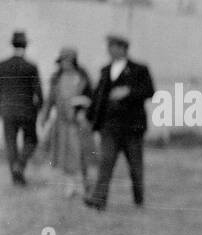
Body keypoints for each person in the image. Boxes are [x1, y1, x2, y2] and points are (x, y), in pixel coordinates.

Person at [84, 35, 155, 210]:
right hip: (110, 127)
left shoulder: (140, 69)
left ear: (123, 48)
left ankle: (139, 200)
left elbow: (150, 91)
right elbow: (98, 97)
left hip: (132, 127)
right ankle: (99, 200)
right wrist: (89, 117)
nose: (109, 50)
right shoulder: (105, 70)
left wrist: (128, 92)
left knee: (135, 166)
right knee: (105, 163)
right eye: (109, 46)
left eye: (113, 46)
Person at [41, 47, 95, 198]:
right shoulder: (56, 79)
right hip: (62, 123)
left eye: (68, 61)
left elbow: (91, 99)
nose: (65, 64)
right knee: (65, 155)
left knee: (81, 154)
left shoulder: (82, 77)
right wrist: (44, 116)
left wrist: (82, 109)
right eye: (62, 61)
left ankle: (85, 183)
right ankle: (71, 186)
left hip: (79, 123)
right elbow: (50, 100)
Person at [1, 30, 44, 187]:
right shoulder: (31, 67)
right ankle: (20, 165)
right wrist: (37, 111)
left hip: (7, 111)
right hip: (27, 111)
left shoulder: (2, 65)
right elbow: (39, 94)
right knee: (31, 140)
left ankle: (16, 175)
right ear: (25, 46)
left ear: (12, 45)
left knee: (11, 143)